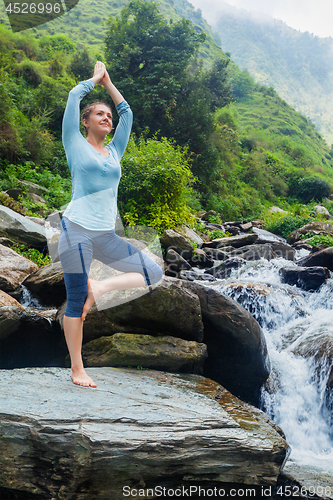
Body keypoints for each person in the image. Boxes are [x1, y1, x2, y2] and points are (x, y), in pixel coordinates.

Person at [58, 61, 163, 388]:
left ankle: (99, 288)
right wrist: (95, 79)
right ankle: (78, 368)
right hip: (76, 229)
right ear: (85, 122)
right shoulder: (74, 143)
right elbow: (75, 94)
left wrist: (110, 82)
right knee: (76, 303)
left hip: (106, 234)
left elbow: (127, 114)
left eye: (109, 115)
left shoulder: (115, 151)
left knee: (154, 272)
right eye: (100, 114)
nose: (108, 118)